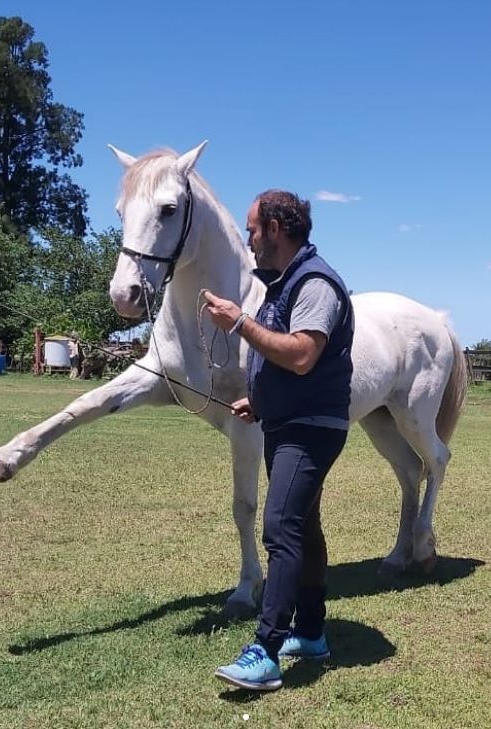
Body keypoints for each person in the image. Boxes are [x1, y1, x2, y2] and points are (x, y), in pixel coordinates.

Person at [203, 190, 354, 691]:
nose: (249, 240)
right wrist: (261, 403)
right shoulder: (282, 284)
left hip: (312, 427)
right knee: (304, 529)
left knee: (281, 525)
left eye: (253, 229)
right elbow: (282, 366)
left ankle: (266, 651)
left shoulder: (314, 284)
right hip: (287, 421)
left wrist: (239, 322)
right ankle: (310, 633)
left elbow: (303, 355)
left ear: (275, 228)